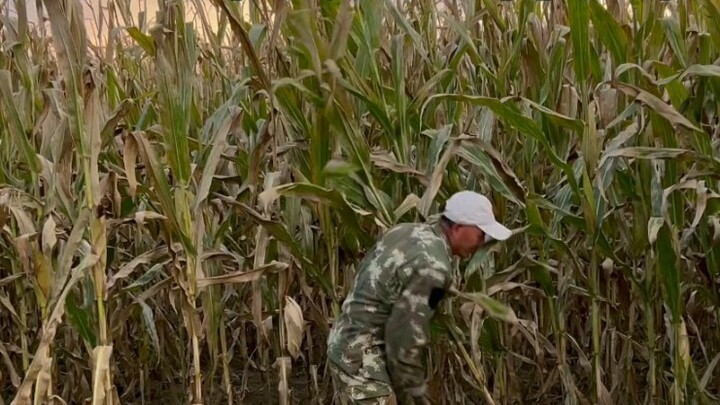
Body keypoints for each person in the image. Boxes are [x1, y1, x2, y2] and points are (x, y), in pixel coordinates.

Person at [326, 190, 513, 404]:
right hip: (362, 357)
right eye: (481, 234)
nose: (482, 243)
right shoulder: (434, 268)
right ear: (459, 227)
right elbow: (404, 334)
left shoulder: (405, 231)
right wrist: (416, 389)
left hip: (346, 341)